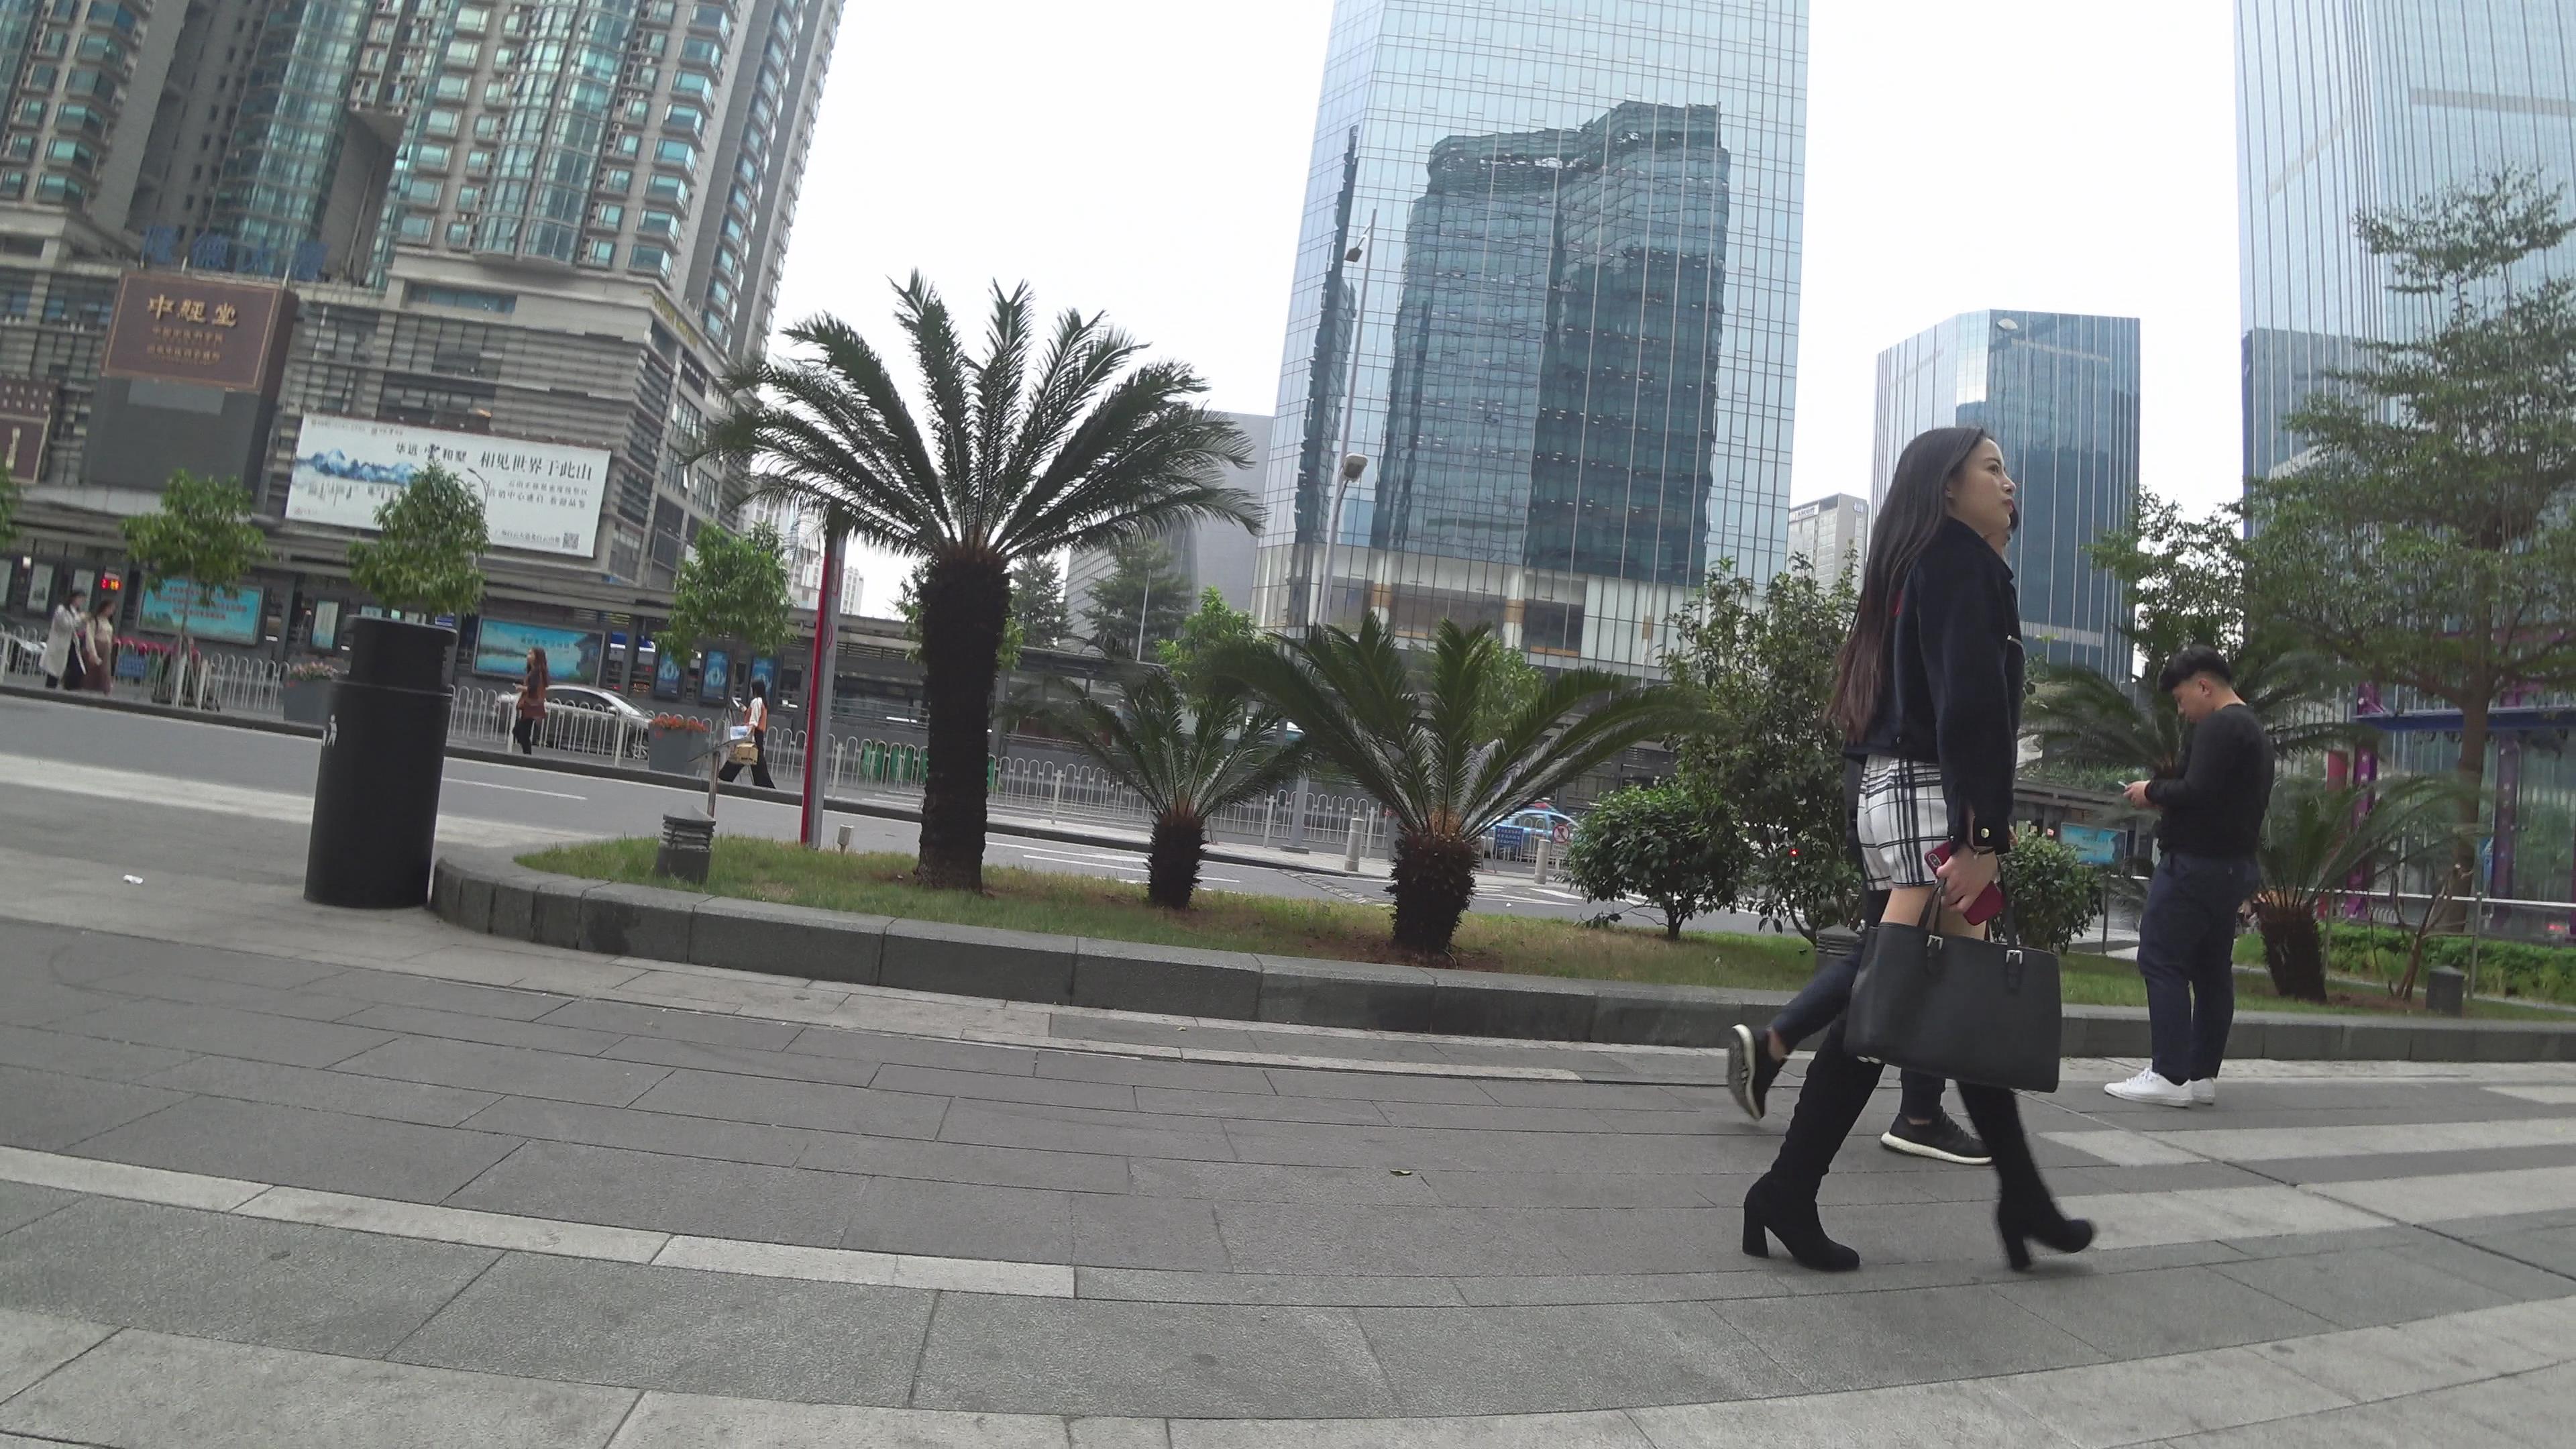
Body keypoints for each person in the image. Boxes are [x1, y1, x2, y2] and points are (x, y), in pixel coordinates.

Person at [1740, 425, 2094, 1275]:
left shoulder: (1930, 565)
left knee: (1957, 999)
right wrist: (1982, 838)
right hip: (1931, 793)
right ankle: (1789, 1187)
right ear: (1948, 487)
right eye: (1993, 468)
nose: (2010, 483)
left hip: (1903, 788)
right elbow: (1971, 709)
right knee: (1891, 1000)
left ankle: (2020, 1197)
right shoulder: (1959, 564)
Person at [1725, 754, 1990, 1167]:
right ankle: (1911, 1119)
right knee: (1920, 959)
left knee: (1904, 955)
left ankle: (1917, 1112)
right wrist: (1988, 824)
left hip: (1875, 792)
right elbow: (1970, 726)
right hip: (1926, 792)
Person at [2106, 647, 2276, 1108]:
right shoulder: (2255, 731)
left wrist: (2151, 791)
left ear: (2204, 686)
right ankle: (2201, 1076)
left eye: (2182, 700)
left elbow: (2196, 790)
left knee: (2160, 958)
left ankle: (2168, 1074)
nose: (2182, 712)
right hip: (2234, 867)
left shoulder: (2220, 726)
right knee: (2212, 968)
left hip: (2195, 864)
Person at [719, 677, 778, 789]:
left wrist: (748, 735)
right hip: (758, 734)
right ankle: (765, 785)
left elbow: (754, 721)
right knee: (754, 759)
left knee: (742, 754)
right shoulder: (762, 702)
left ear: (755, 689)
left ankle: (725, 776)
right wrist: (746, 711)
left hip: (753, 733)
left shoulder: (756, 702)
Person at [41, 589, 86, 690]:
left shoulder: (75, 612)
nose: (81, 602)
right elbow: (65, 625)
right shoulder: (62, 610)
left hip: (71, 643)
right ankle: (50, 688)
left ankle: (68, 687)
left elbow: (76, 627)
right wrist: (79, 619)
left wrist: (82, 624)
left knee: (71, 667)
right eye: (80, 599)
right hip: (59, 643)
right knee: (54, 669)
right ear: (73, 598)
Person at [514, 647, 549, 755]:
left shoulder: (537, 671)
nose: (528, 656)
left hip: (531, 705)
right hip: (531, 705)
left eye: (531, 654)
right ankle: (527, 755)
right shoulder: (535, 670)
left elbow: (533, 688)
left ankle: (527, 756)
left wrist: (521, 688)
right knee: (520, 732)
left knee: (522, 733)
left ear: (536, 657)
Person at [81, 595, 117, 693]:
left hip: (106, 648)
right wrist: (92, 652)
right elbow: (90, 636)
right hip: (96, 646)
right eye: (110, 609)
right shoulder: (95, 620)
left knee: (105, 671)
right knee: (93, 671)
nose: (111, 612)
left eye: (113, 610)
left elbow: (110, 636)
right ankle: (88, 689)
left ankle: (105, 689)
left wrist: (110, 648)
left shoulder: (108, 622)